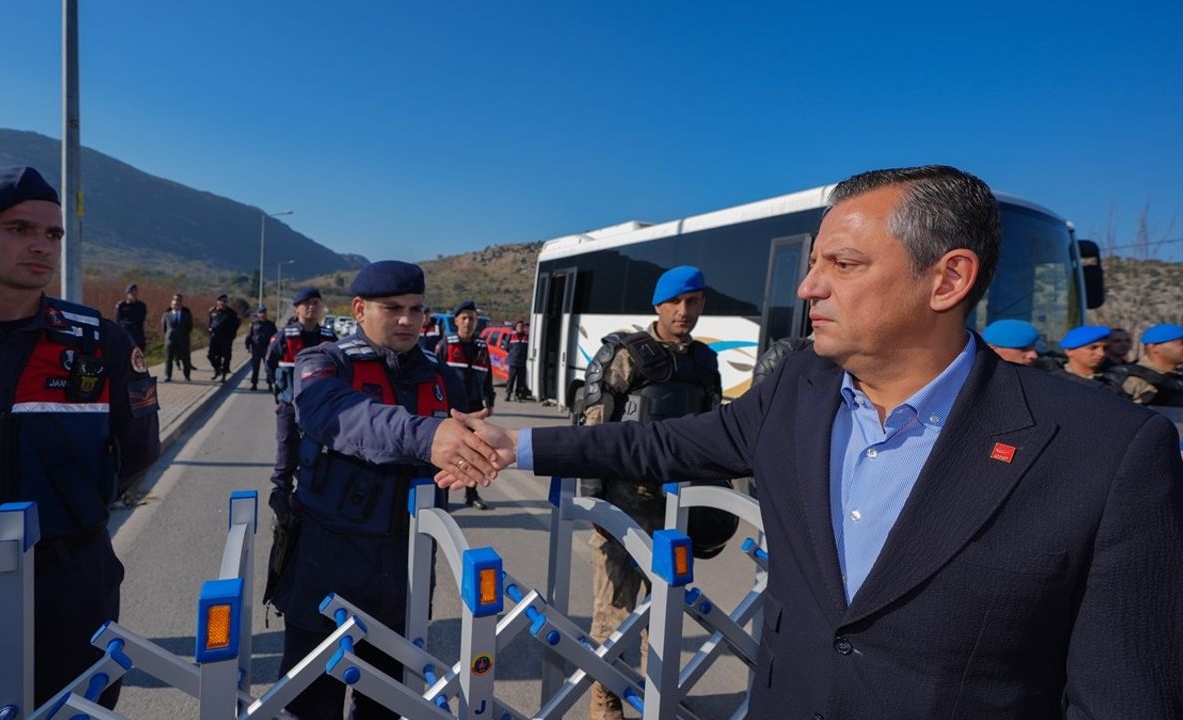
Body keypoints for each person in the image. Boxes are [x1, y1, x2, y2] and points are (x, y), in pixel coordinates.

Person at [440, 165, 1183, 717]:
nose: (807, 289)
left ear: (949, 279)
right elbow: (662, 447)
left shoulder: (1108, 451)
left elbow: (1126, 698)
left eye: (844, 265)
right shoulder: (800, 392)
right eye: (812, 264)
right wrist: (518, 447)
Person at [0, 166, 161, 718]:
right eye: (19, 229)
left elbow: (138, 451)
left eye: (53, 234)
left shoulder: (100, 342)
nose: (42, 246)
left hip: (67, 588)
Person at [269, 261, 501, 720]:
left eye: (416, 310)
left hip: (406, 566)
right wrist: (426, 437)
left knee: (388, 703)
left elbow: (471, 436)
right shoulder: (326, 362)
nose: (407, 320)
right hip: (327, 557)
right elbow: (333, 414)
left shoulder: (441, 375)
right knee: (311, 701)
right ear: (359, 309)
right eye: (392, 308)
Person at [577, 265, 728, 719]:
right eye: (675, 303)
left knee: (665, 606)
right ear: (658, 306)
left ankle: (658, 694)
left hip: (678, 501)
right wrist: (594, 499)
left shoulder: (705, 361)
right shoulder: (624, 353)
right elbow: (592, 422)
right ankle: (606, 703)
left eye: (693, 302)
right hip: (625, 498)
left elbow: (713, 428)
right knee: (615, 609)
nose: (684, 311)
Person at [263, 287, 336, 525]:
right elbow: (270, 363)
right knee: (287, 453)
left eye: (316, 302)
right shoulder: (285, 336)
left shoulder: (329, 337)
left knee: (317, 457)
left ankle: (310, 504)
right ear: (297, 308)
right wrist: (281, 391)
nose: (311, 307)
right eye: (306, 303)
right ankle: (281, 503)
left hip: (321, 409)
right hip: (289, 405)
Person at [434, 300, 496, 511]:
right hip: (450, 407)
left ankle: (472, 493)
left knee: (473, 451)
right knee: (445, 451)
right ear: (456, 321)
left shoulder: (481, 347)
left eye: (472, 318)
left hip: (474, 407)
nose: (468, 322)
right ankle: (439, 497)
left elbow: (488, 376)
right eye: (464, 318)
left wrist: (490, 402)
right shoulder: (446, 345)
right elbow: (435, 376)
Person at [1103, 323, 1183, 406]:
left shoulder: (1177, 377)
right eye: (1181, 343)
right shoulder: (1133, 379)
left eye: (1127, 340)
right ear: (1154, 347)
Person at [207, 292, 241, 381]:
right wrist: (210, 329)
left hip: (226, 338)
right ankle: (217, 369)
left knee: (225, 357)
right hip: (215, 338)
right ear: (217, 301)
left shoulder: (231, 313)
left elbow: (236, 325)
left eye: (225, 301)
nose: (223, 303)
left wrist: (232, 335)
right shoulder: (213, 311)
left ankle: (224, 375)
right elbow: (210, 322)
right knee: (211, 355)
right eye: (221, 301)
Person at [160, 293, 193, 381]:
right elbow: (163, 327)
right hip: (170, 340)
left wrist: (183, 335)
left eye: (178, 304)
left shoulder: (186, 314)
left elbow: (190, 327)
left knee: (186, 359)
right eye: (175, 304)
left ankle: (187, 376)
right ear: (171, 305)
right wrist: (169, 335)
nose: (176, 305)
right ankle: (168, 376)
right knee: (168, 359)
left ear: (181, 305)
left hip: (183, 340)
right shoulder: (166, 315)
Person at [245, 305, 278, 392]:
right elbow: (249, 335)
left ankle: (270, 384)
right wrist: (247, 346)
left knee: (268, 367)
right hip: (256, 348)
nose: (262, 315)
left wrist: (275, 348)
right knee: (255, 367)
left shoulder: (271, 325)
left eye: (264, 313)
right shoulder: (253, 324)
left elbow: (276, 337)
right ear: (258, 314)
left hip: (267, 349)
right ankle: (254, 384)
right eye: (260, 313)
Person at [114, 282, 148, 351]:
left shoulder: (141, 306)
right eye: (132, 293)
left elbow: (142, 318)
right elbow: (118, 320)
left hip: (138, 333)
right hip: (126, 333)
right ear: (127, 294)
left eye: (135, 293)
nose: (134, 295)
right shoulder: (122, 306)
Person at [505, 319, 531, 401]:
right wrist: (512, 354)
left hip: (522, 363)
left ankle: (518, 395)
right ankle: (508, 394)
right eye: (519, 326)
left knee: (520, 380)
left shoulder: (527, 337)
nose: (520, 328)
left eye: (522, 326)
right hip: (513, 362)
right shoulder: (511, 336)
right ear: (516, 327)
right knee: (510, 379)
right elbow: (506, 347)